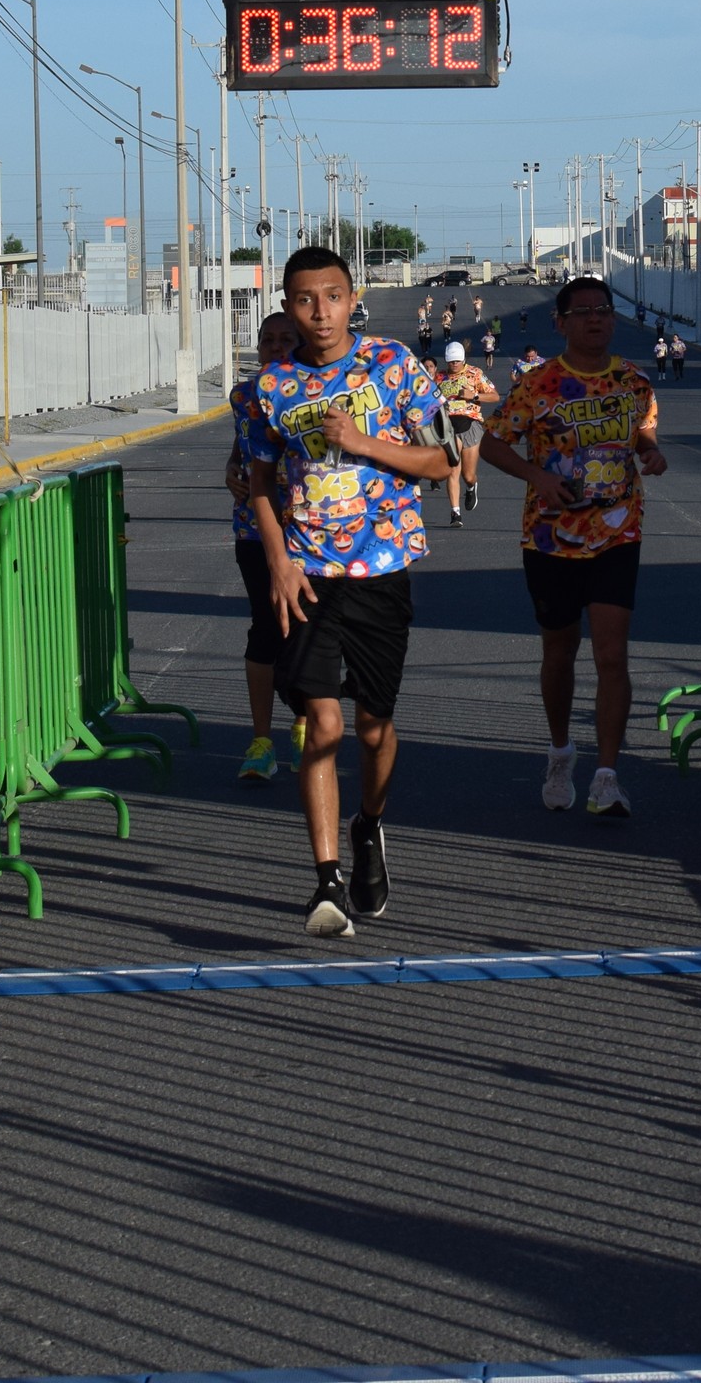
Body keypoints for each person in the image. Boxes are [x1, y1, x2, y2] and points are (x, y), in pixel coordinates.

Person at [241, 246, 452, 935]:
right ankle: (325, 881)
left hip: (381, 569)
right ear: (287, 305)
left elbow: (442, 460)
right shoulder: (270, 388)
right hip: (308, 573)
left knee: (374, 727)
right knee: (324, 724)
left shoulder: (393, 365)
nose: (320, 312)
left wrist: (363, 443)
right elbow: (260, 483)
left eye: (332, 296)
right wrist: (278, 561)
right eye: (305, 300)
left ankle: (369, 823)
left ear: (352, 298)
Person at [482, 275, 666, 817]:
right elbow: (492, 442)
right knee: (559, 652)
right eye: (582, 312)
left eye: (602, 310)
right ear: (561, 323)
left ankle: (607, 776)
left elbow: (644, 431)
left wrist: (650, 451)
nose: (595, 319)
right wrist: (536, 477)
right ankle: (561, 750)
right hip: (550, 538)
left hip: (617, 531)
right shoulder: (537, 384)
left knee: (612, 653)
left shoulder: (634, 381)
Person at [226, 312, 305, 781]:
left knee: (306, 630)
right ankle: (261, 741)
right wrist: (231, 468)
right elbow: (244, 446)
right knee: (265, 627)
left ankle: (304, 724)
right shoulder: (243, 396)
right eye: (267, 340)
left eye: (285, 340)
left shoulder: (319, 392)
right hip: (255, 528)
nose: (276, 348)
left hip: (311, 532)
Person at [434, 339, 500, 524]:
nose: (454, 364)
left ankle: (471, 487)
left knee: (468, 475)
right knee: (453, 469)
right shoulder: (439, 378)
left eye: (457, 361)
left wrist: (475, 395)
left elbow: (495, 396)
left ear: (463, 359)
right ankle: (455, 513)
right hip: (449, 425)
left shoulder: (475, 373)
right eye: (450, 361)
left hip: (470, 423)